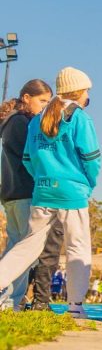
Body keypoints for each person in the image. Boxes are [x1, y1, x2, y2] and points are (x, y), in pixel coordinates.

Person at [0, 68, 100, 318]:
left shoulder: (37, 119)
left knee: (26, 248)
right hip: (72, 193)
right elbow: (91, 157)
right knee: (78, 248)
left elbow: (28, 158)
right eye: (86, 90)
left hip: (43, 194)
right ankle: (75, 307)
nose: (88, 95)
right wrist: (88, 183)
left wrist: (43, 179)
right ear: (78, 91)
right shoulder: (79, 118)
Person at [0, 79, 55, 311]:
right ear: (26, 98)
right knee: (25, 251)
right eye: (41, 101)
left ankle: (9, 301)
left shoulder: (12, 122)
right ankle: (9, 302)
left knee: (16, 246)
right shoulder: (22, 123)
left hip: (11, 193)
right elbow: (31, 157)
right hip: (23, 192)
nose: (45, 106)